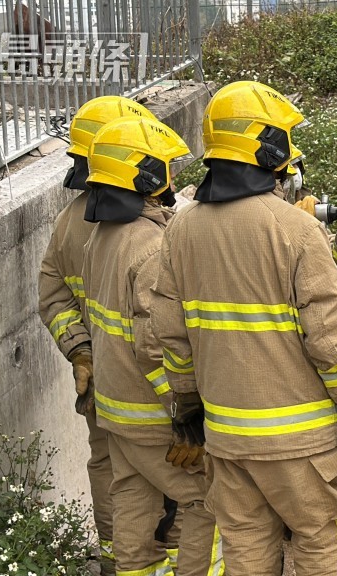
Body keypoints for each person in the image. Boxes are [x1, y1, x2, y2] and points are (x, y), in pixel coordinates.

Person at [151, 80, 337, 576]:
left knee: (246, 548)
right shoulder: (296, 231)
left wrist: (188, 405)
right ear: (267, 146)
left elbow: (171, 334)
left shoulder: (181, 229)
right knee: (325, 536)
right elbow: (329, 339)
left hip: (228, 438)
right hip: (302, 444)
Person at [81, 116, 221, 576]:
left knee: (134, 508)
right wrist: (186, 413)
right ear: (144, 176)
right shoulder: (150, 250)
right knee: (208, 501)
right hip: (155, 417)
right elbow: (154, 343)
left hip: (116, 411)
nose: (174, 179)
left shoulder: (101, 238)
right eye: (166, 169)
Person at [37, 94, 158, 576]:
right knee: (175, 488)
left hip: (102, 384)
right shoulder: (139, 226)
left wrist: (81, 354)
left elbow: (52, 296)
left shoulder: (71, 221)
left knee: (113, 473)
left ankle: (117, 565)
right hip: (153, 388)